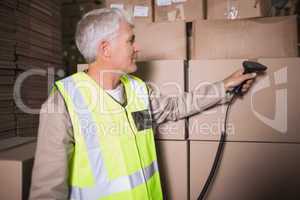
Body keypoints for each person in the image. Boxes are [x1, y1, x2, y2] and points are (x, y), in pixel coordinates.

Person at [29, 8, 256, 200]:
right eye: (130, 41)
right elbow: (48, 189)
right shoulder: (65, 102)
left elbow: (176, 107)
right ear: (105, 49)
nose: (137, 48)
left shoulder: (137, 90)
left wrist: (224, 87)